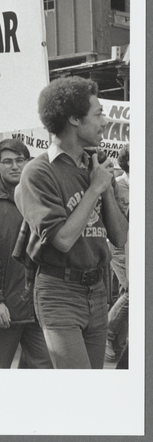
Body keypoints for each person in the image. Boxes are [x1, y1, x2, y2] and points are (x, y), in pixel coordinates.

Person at [15, 77, 127, 369]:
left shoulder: (96, 166)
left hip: (97, 289)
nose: (105, 121)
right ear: (74, 119)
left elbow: (120, 237)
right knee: (78, 388)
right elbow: (62, 240)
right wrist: (93, 190)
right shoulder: (38, 172)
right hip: (58, 291)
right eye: (98, 113)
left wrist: (104, 185)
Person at [0, 139, 52, 368]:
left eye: (19, 160)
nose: (14, 166)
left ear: (27, 163)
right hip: (3, 308)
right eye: (7, 161)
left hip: (38, 304)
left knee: (43, 369)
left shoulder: (41, 195)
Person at [107, 143, 129, 366]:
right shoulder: (119, 185)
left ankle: (120, 344)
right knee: (132, 292)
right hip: (120, 247)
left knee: (126, 292)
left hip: (137, 247)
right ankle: (107, 331)